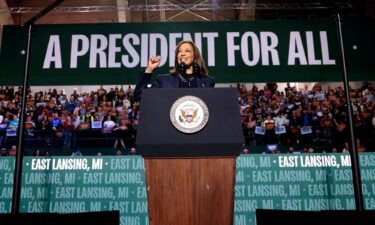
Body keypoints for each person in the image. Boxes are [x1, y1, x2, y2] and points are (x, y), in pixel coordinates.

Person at [133, 40, 215, 101]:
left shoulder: (208, 81)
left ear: (195, 56)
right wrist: (149, 69)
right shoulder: (164, 81)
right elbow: (139, 96)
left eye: (187, 51)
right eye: (179, 52)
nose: (182, 54)